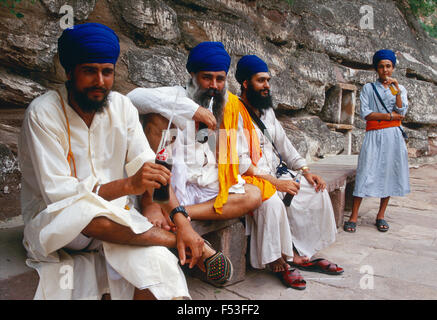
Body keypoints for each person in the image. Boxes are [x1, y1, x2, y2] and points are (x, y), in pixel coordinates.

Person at [19, 23, 232, 300]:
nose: (100, 81)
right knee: (83, 213)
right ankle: (193, 246)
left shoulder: (120, 106)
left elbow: (153, 173)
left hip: (122, 221)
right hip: (58, 225)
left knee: (161, 274)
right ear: (70, 71)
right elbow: (61, 197)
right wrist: (129, 185)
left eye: (107, 72)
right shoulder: (43, 114)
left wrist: (183, 222)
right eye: (89, 71)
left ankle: (183, 244)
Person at [127, 42, 267, 231]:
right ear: (192, 76)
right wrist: (194, 110)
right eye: (207, 78)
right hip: (169, 187)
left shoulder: (225, 107)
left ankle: (180, 212)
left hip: (205, 187)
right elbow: (133, 98)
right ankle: (152, 203)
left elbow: (231, 162)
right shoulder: (176, 95)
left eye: (220, 79)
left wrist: (222, 147)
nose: (214, 86)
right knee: (158, 119)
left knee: (253, 195)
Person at [234, 55, 344, 289]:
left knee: (316, 191)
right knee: (271, 203)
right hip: (251, 179)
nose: (267, 86)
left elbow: (285, 146)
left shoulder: (267, 111)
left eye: (268, 81)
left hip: (276, 172)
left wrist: (305, 171)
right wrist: (275, 184)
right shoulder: (234, 111)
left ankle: (303, 253)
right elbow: (240, 161)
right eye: (261, 80)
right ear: (245, 83)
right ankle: (279, 260)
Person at [343, 49, 409, 233]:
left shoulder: (400, 89)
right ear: (376, 69)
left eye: (388, 66)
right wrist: (389, 116)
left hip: (393, 137)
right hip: (374, 135)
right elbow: (366, 113)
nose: (385, 70)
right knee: (365, 171)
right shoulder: (369, 89)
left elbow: (401, 112)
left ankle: (381, 215)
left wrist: (396, 91)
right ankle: (354, 216)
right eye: (381, 66)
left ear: (393, 67)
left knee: (388, 173)